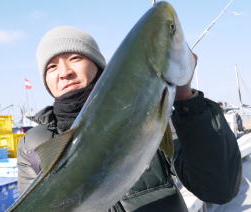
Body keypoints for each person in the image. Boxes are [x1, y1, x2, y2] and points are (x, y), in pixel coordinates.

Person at [17, 26, 242, 212]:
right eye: (52, 66)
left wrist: (185, 98)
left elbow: (218, 188)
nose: (64, 72)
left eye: (75, 57)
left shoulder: (149, 116)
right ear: (46, 80)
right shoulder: (35, 144)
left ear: (99, 66)